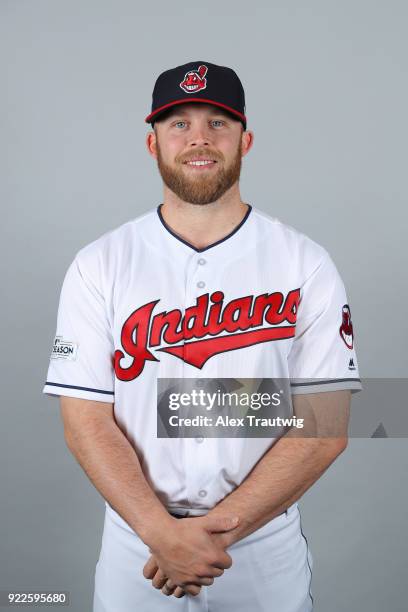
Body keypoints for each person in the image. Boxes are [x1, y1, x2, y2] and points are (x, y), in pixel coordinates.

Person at [42, 61, 362, 611]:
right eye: (179, 124)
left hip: (261, 549)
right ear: (152, 143)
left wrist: (215, 536)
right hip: (137, 548)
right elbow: (85, 421)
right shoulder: (100, 263)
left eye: (218, 122)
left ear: (246, 140)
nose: (199, 139)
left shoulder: (304, 263)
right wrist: (162, 535)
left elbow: (325, 425)